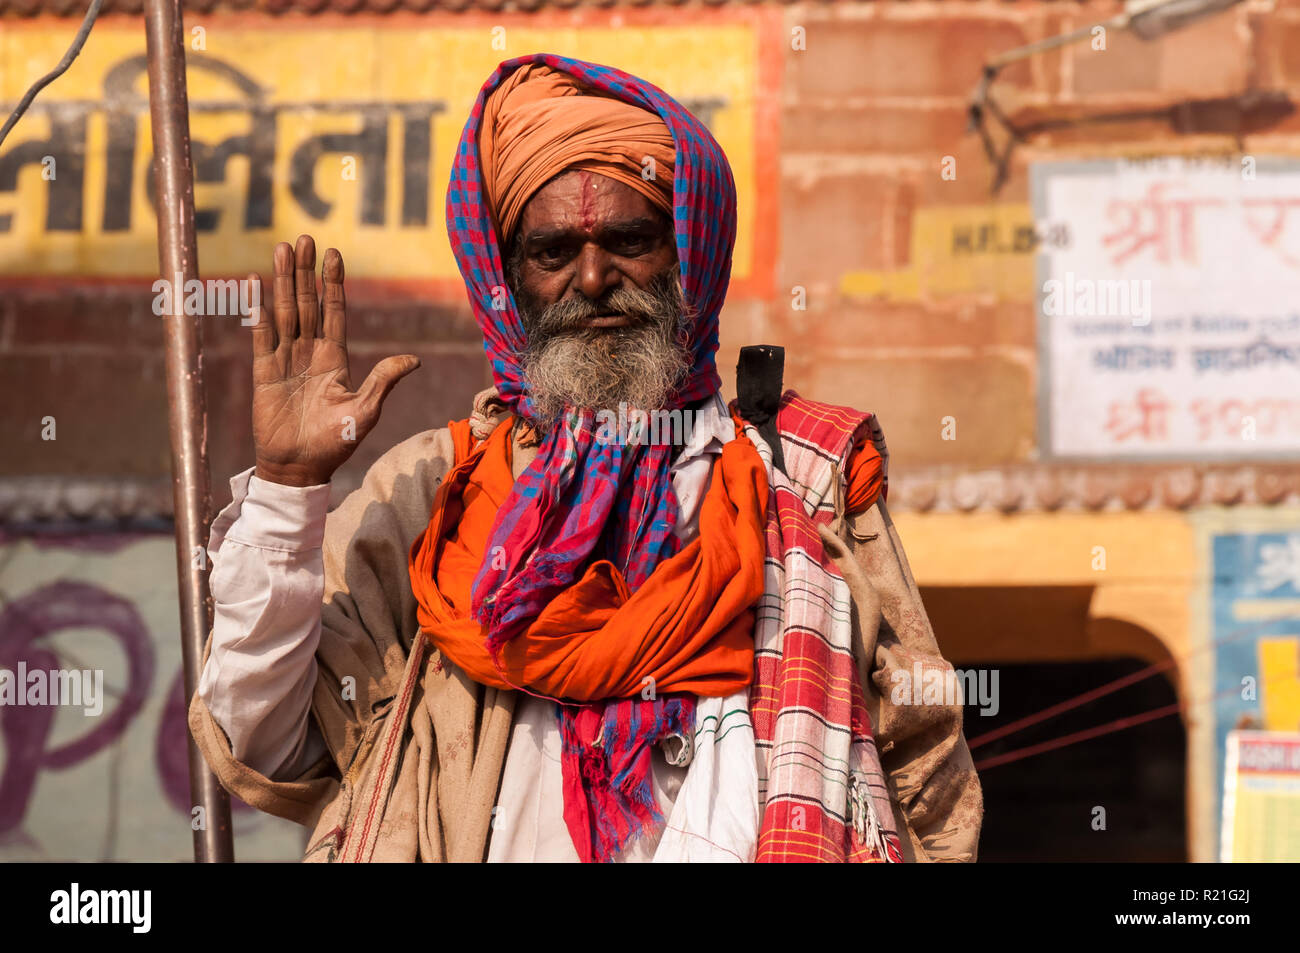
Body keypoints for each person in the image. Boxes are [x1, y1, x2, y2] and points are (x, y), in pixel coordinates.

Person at [189, 54, 982, 863]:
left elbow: (927, 782)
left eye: (632, 240)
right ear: (509, 276)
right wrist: (290, 489)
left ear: (689, 255)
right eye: (553, 251)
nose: (594, 277)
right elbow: (261, 742)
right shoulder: (435, 497)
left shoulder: (803, 485)